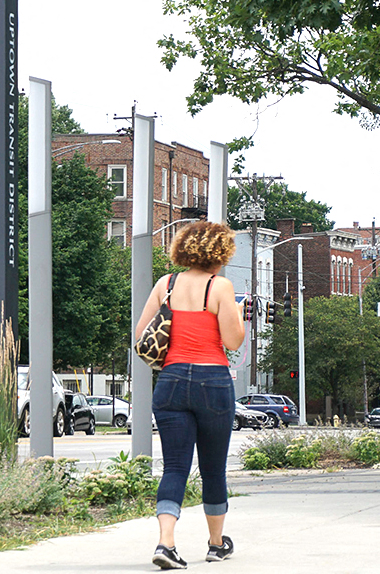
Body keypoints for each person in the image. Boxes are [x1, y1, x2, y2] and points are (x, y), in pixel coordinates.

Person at [134, 221, 245, 570]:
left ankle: (166, 543)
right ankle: (216, 544)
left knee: (175, 466)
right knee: (213, 468)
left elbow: (142, 336)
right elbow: (233, 341)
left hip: (171, 381)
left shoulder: (165, 285)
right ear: (220, 252)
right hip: (213, 381)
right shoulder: (220, 287)